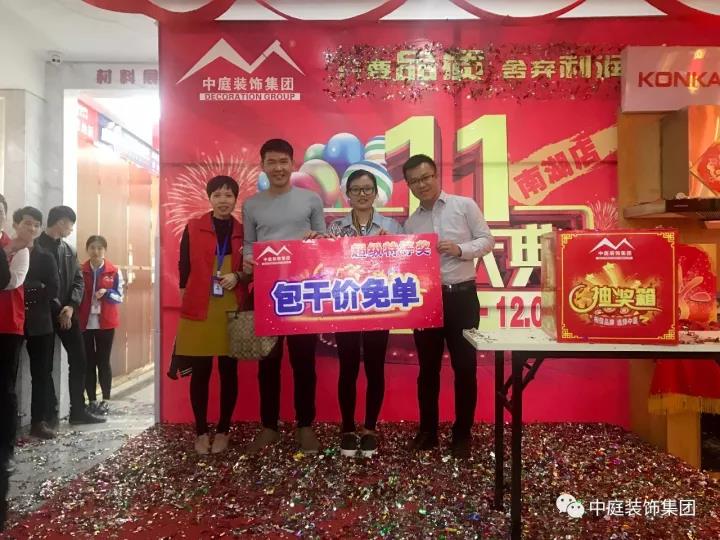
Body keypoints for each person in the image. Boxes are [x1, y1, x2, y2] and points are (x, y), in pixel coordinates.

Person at [402, 154, 494, 459]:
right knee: (427, 370)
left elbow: (487, 240)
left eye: (426, 177)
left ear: (436, 175)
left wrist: (460, 249)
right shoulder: (411, 222)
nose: (422, 184)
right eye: (414, 181)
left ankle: (462, 432)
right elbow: (405, 261)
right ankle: (427, 431)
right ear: (409, 186)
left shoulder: (464, 205)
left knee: (465, 367)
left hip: (462, 297)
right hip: (426, 300)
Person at [242, 138, 326, 454]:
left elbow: (323, 242)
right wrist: (247, 259)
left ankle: (305, 426)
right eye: (272, 162)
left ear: (293, 164)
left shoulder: (311, 200)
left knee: (304, 362)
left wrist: (316, 240)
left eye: (283, 161)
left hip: (303, 291)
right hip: (267, 293)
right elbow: (248, 245)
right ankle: (269, 426)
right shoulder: (252, 205)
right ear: (263, 165)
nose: (278, 168)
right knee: (268, 364)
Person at [327, 169, 403, 458]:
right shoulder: (336, 228)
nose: (362, 194)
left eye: (367, 188)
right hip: (345, 307)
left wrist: (392, 247)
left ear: (376, 192)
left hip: (378, 307)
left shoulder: (392, 226)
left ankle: (370, 428)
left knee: (374, 368)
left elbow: (404, 266)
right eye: (356, 189)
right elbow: (327, 266)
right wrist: (315, 245)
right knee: (347, 368)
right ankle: (347, 427)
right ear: (347, 194)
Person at [176, 175, 248, 455]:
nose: (223, 200)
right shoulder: (193, 227)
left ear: (235, 199)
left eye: (228, 195)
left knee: (229, 372)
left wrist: (238, 276)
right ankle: (200, 431)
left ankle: (224, 430)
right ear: (209, 198)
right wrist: (188, 297)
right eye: (217, 195)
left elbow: (253, 268)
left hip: (232, 306)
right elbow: (183, 266)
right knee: (200, 373)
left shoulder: (243, 231)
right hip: (199, 308)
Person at [37, 206, 104, 425]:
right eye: (70, 224)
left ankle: (77, 410)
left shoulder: (69, 250)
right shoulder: (36, 248)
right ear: (61, 222)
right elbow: (37, 285)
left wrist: (71, 306)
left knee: (80, 360)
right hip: (44, 315)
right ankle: (48, 413)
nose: (71, 229)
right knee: (43, 365)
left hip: (68, 313)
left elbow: (78, 280)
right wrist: (58, 308)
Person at [15, 207, 62, 440]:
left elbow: (53, 289)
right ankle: (9, 424)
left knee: (41, 373)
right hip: (11, 321)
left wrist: (24, 290)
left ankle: (38, 422)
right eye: (27, 223)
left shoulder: (46, 256)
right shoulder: (7, 252)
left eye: (36, 224)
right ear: (15, 225)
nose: (32, 228)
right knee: (7, 375)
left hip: (41, 322)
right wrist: (35, 287)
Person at [0, 197, 30, 531]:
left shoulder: (18, 248)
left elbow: (10, 281)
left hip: (7, 326)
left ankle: (6, 446)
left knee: (5, 389)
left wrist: (6, 251)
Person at [79, 235, 124, 416]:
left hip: (106, 323)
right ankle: (91, 400)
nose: (96, 252)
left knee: (103, 361)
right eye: (92, 248)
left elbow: (119, 297)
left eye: (99, 248)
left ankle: (106, 400)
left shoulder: (114, 271)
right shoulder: (80, 270)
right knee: (88, 362)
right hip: (85, 322)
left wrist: (107, 293)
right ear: (87, 250)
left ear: (105, 250)